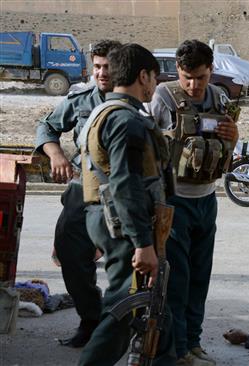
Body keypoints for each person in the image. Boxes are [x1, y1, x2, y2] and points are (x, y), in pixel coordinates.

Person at [78, 43, 175, 366]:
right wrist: (142, 243)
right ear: (143, 76)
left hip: (114, 221)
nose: (155, 87)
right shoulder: (125, 120)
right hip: (123, 225)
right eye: (154, 79)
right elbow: (125, 183)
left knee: (157, 308)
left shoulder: (108, 111)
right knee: (126, 309)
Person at [146, 39, 239, 366]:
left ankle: (194, 343)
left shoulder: (219, 97)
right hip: (175, 202)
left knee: (200, 277)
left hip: (206, 200)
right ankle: (179, 349)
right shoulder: (164, 97)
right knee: (177, 280)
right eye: (187, 77)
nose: (193, 84)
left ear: (210, 71)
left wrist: (233, 136)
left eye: (200, 77)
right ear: (179, 72)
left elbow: (229, 146)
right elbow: (149, 148)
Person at [34, 39, 122, 348]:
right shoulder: (81, 100)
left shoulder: (136, 101)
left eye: (107, 67)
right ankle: (91, 319)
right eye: (97, 67)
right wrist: (56, 155)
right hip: (81, 189)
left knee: (125, 265)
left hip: (121, 192)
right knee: (69, 252)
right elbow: (46, 127)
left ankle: (121, 327)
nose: (101, 73)